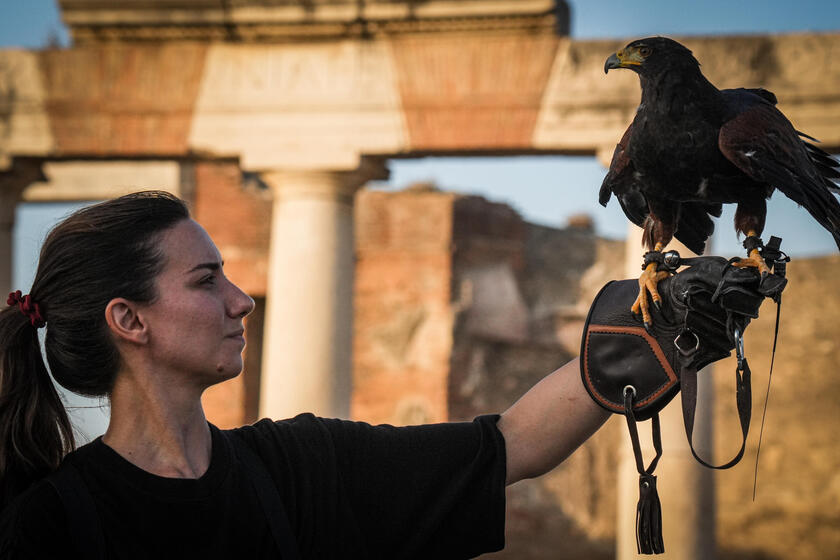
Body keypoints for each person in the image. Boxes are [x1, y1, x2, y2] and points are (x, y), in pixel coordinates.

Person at [0, 191, 612, 559]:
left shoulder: (301, 465)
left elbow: (512, 444)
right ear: (129, 320)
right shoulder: (47, 528)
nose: (242, 301)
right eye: (205, 280)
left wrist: (643, 339)